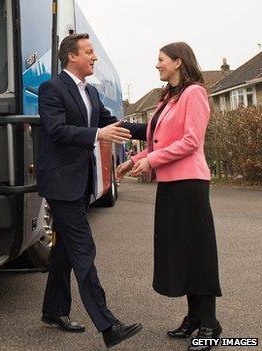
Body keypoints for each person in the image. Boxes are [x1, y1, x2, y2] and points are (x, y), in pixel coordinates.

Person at [37, 33, 147, 349]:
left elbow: (117, 126)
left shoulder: (92, 93)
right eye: (89, 52)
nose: (94, 57)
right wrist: (98, 133)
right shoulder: (51, 89)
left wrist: (157, 128)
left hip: (79, 184)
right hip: (61, 184)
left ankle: (54, 311)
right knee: (83, 250)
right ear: (72, 56)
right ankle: (108, 325)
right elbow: (56, 131)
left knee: (64, 250)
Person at [116, 42, 222, 351]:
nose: (157, 65)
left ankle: (210, 324)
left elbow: (190, 141)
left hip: (191, 184)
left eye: (161, 60)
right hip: (171, 185)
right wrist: (134, 160)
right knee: (180, 252)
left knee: (199, 253)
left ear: (178, 62)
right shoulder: (168, 98)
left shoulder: (195, 94)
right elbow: (160, 142)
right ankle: (193, 317)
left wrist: (151, 161)